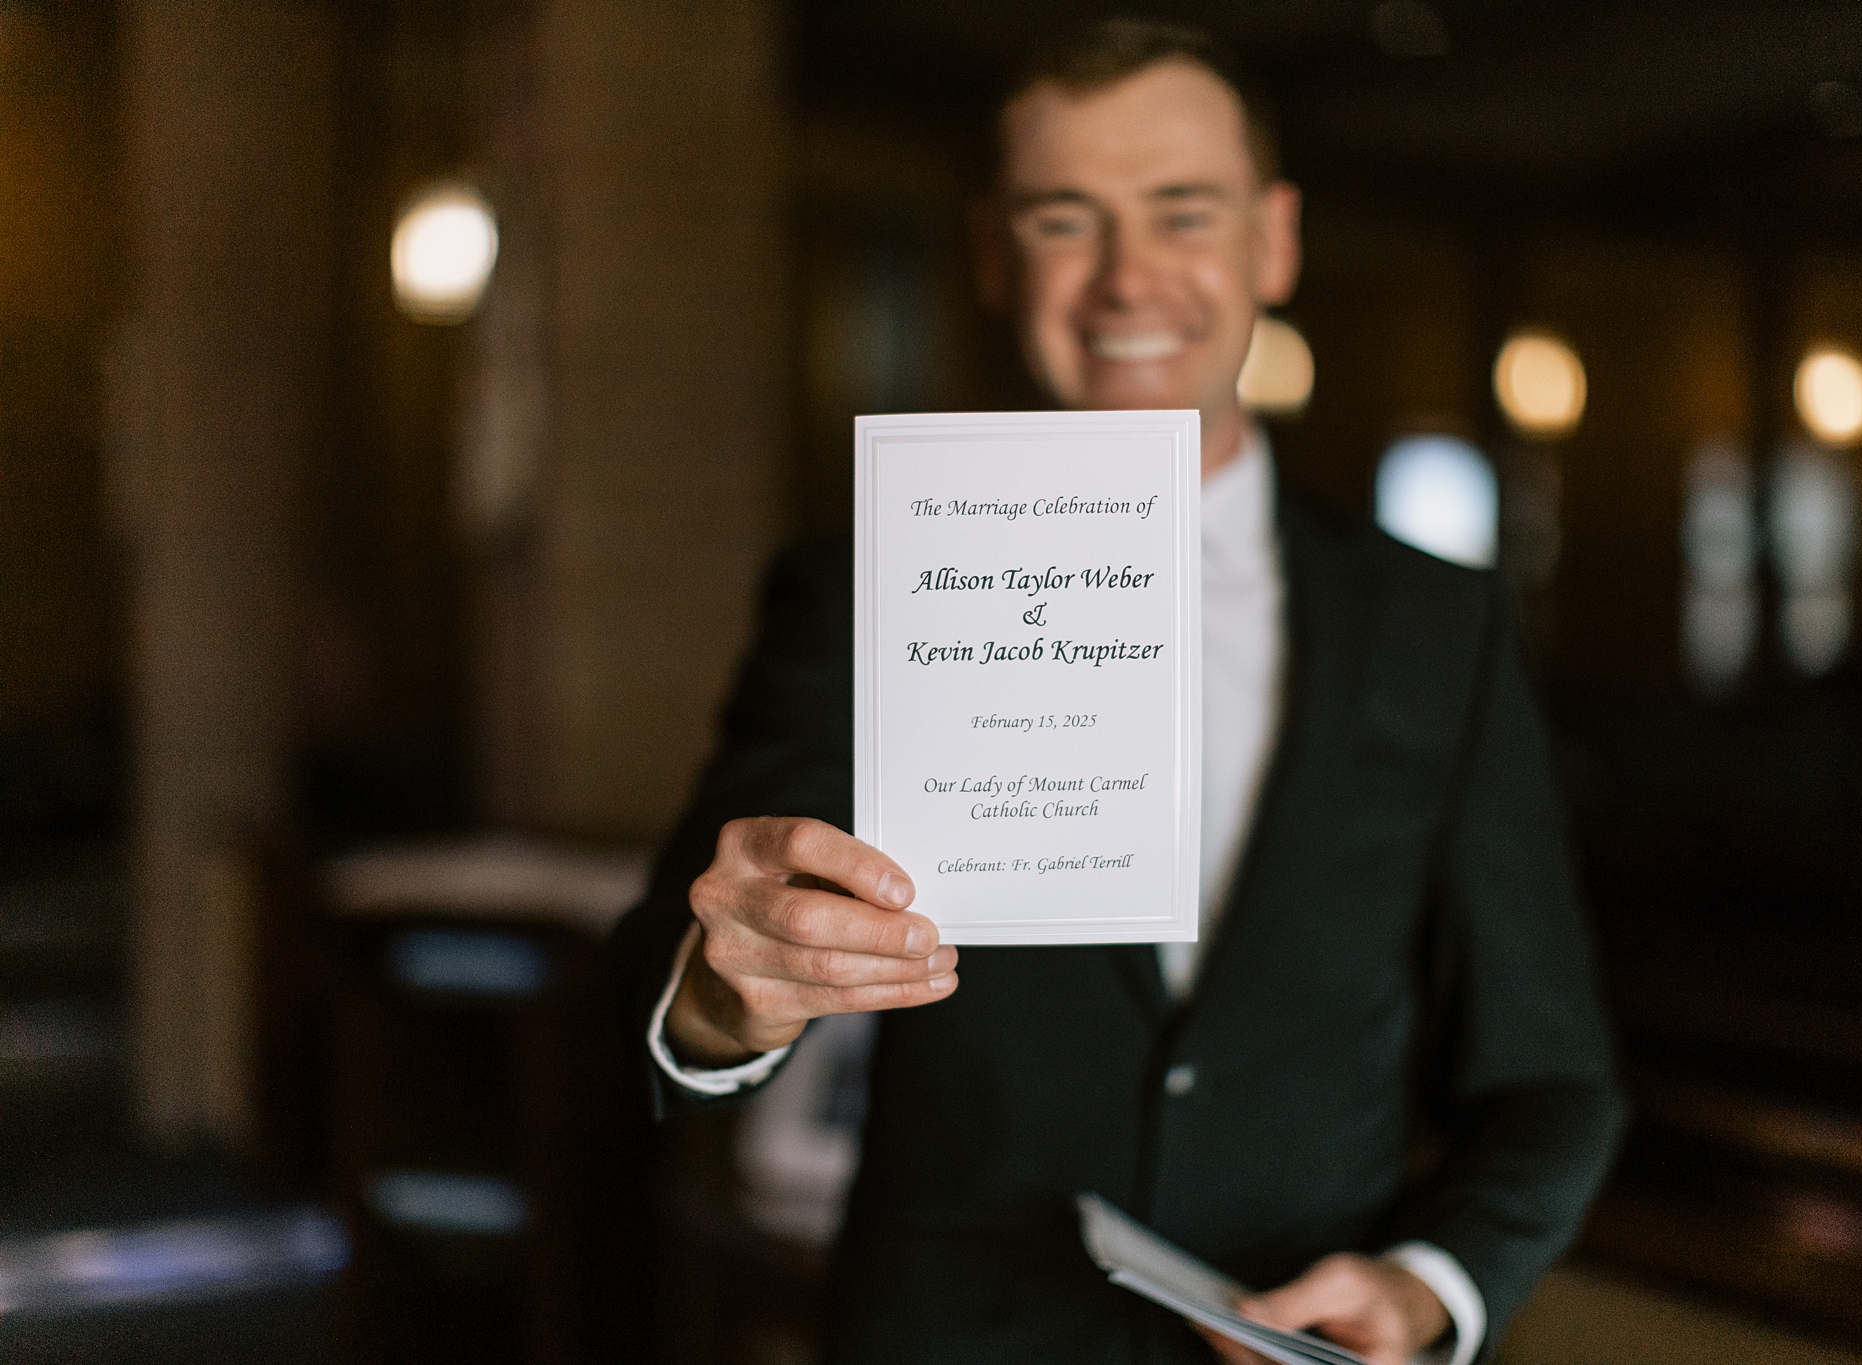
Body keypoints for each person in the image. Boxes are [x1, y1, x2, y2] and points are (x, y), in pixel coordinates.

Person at [608, 19, 1625, 1365]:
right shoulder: (858, 582)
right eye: (1064, 220)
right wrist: (727, 993)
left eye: (1182, 213)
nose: (1127, 279)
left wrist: (1428, 1282)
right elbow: (665, 964)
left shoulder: (1440, 623)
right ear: (992, 252)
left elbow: (1551, 1074)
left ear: (1276, 240)